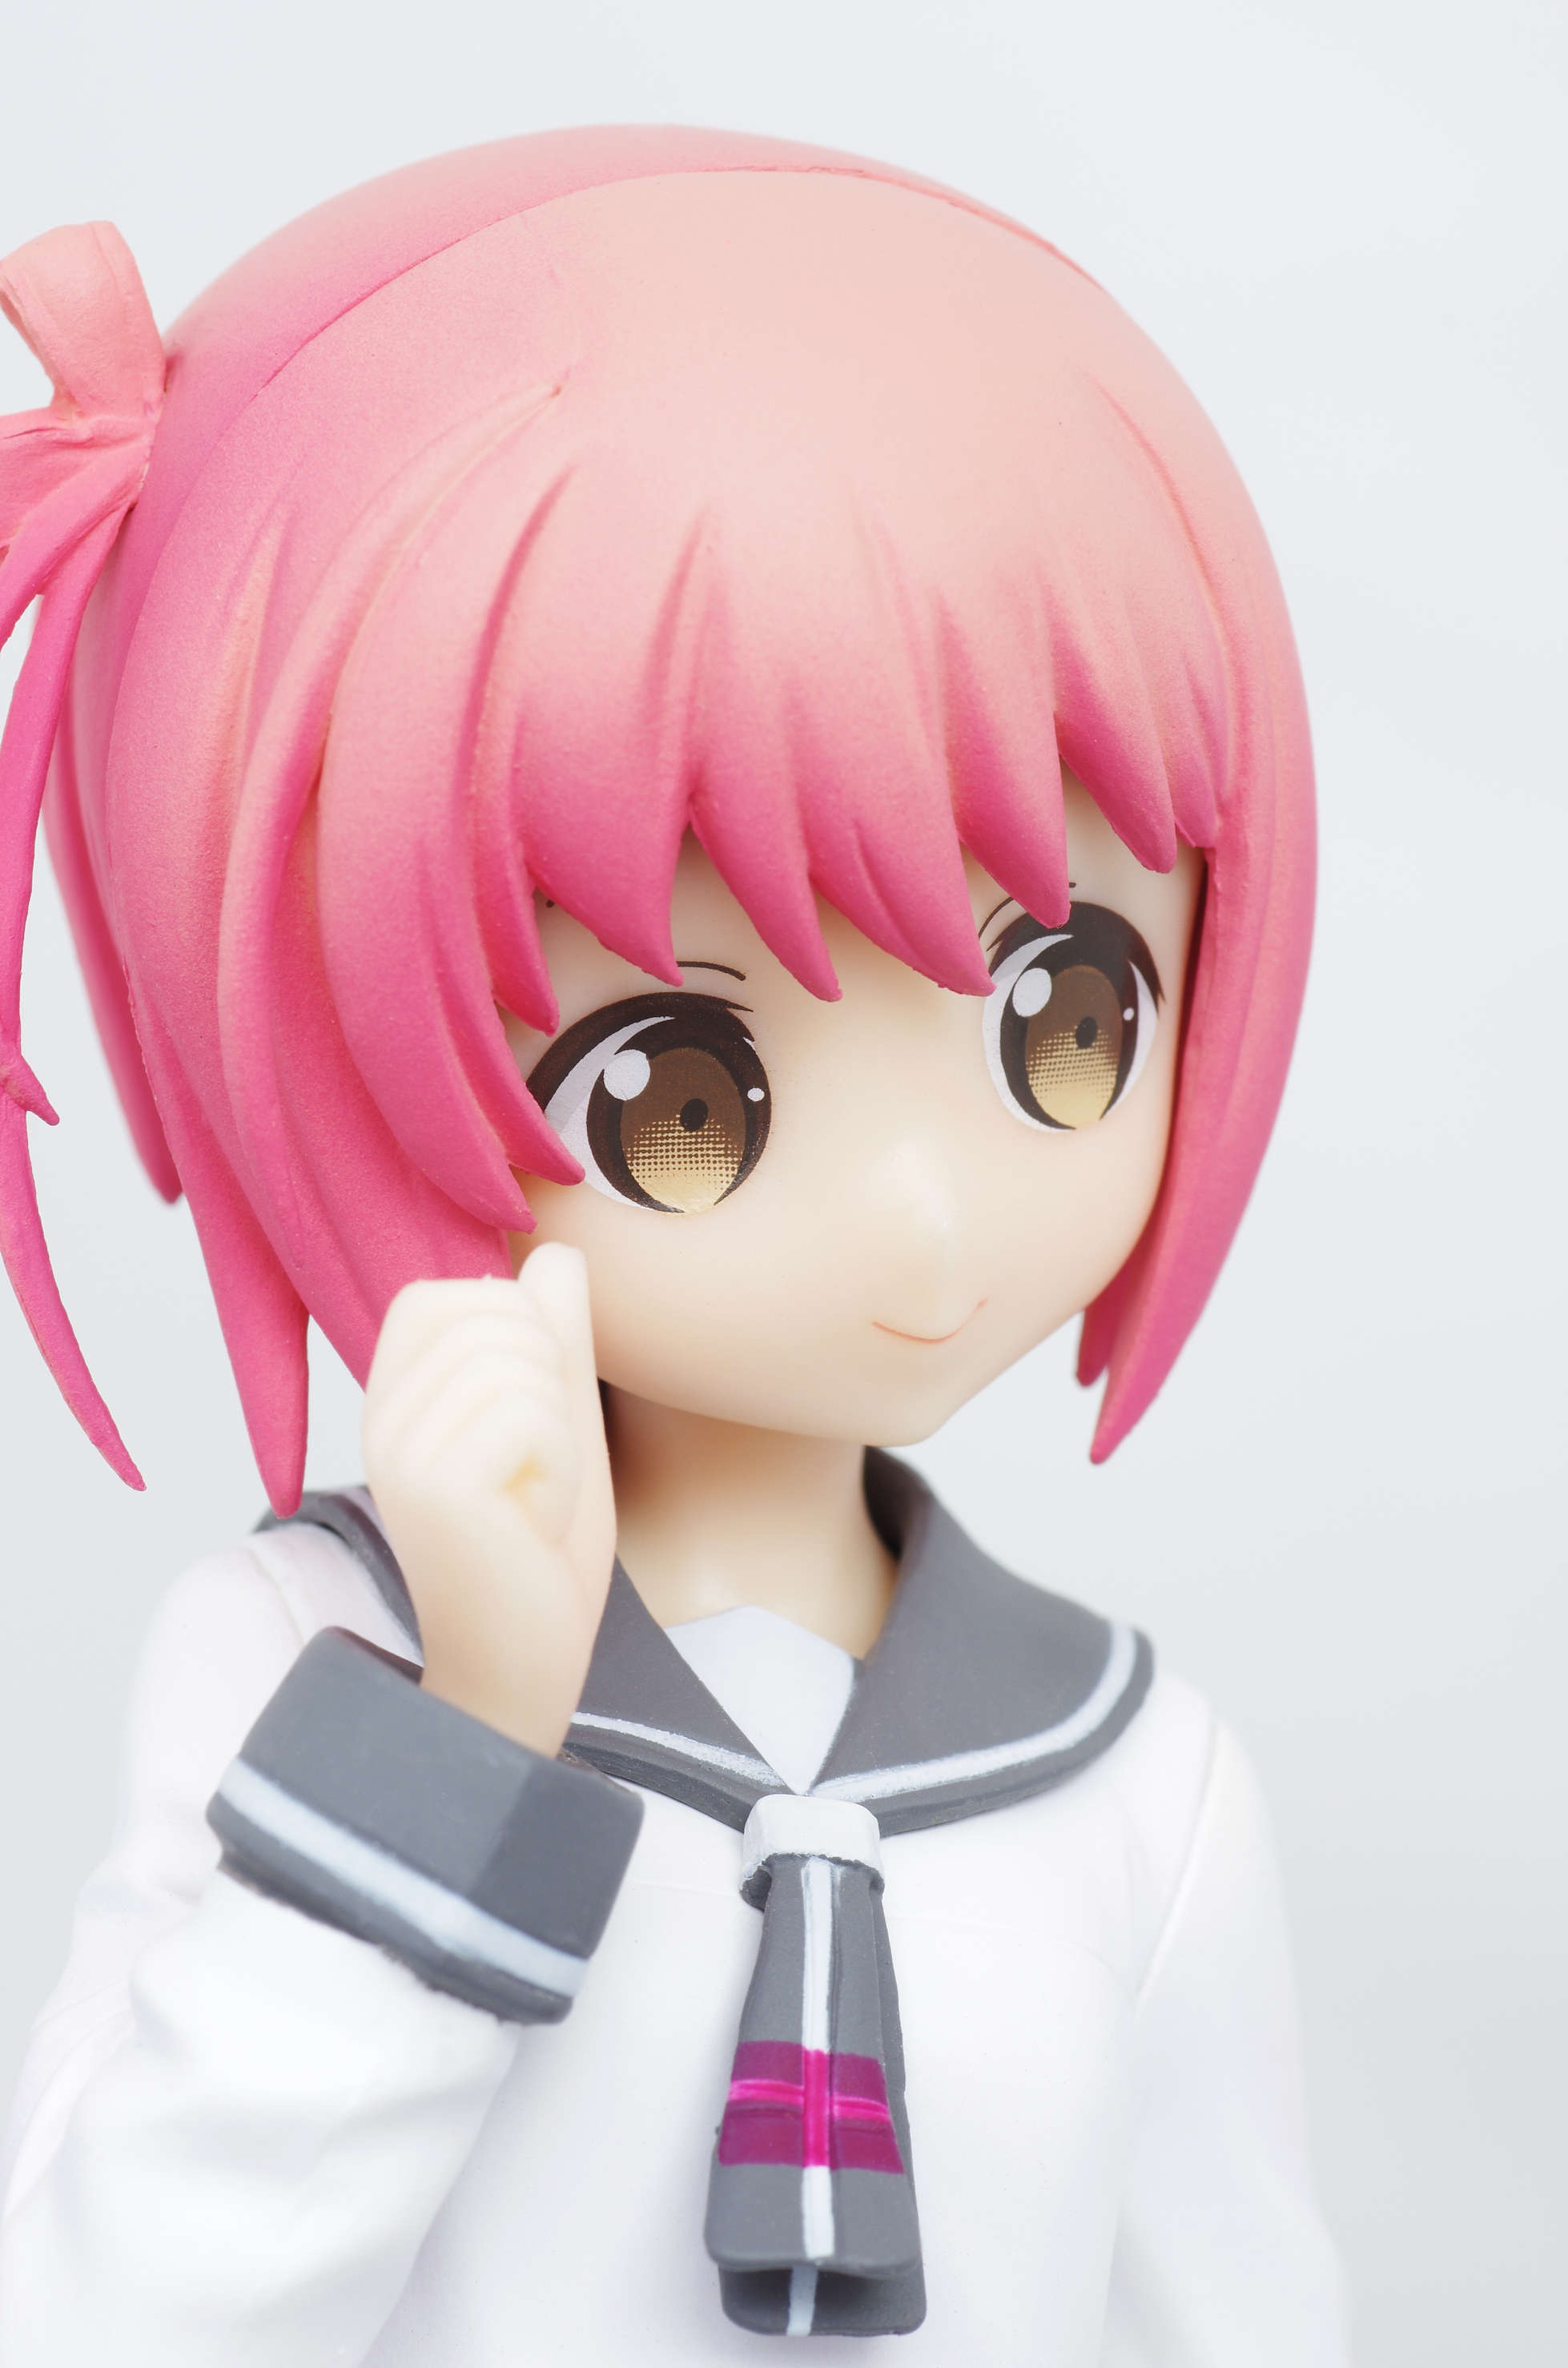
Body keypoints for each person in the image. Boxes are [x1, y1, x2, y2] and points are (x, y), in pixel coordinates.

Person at [0, 128, 1349, 2360]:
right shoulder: (310, 1660)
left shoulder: (1138, 1783)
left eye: (1065, 1020)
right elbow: (113, 2322)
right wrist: (469, 1741)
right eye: (681, 1098)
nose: (924, 1215)